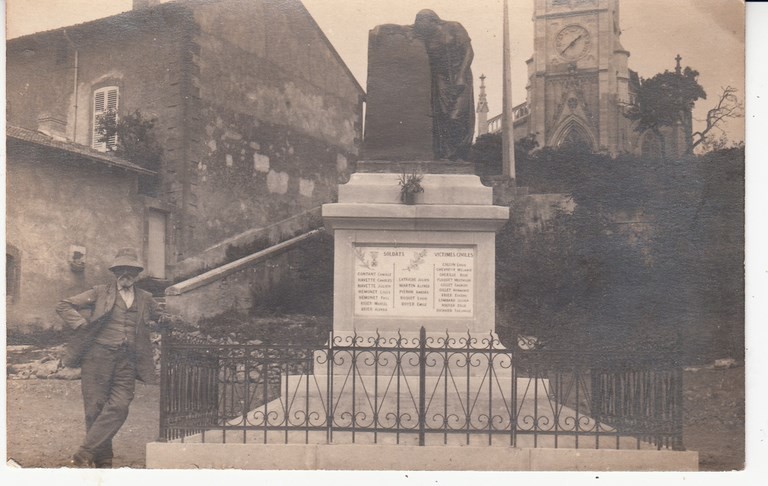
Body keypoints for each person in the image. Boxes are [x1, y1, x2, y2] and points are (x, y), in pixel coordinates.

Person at [56, 247, 160, 468]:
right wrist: (81, 324)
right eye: (121, 269)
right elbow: (64, 305)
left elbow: (162, 316)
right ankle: (104, 461)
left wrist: (171, 322)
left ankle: (85, 452)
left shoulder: (146, 298)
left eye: (131, 270)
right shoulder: (100, 292)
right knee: (95, 408)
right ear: (115, 272)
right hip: (97, 358)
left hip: (128, 360)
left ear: (137, 273)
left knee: (120, 406)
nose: (126, 274)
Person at [413, 9, 475, 161]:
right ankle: (446, 155)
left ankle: (460, 154)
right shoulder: (424, 35)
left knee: (457, 115)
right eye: (417, 23)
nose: (419, 26)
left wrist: (461, 75)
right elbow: (402, 30)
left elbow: (469, 52)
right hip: (441, 79)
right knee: (443, 115)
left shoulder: (454, 27)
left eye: (422, 22)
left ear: (432, 20)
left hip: (460, 73)